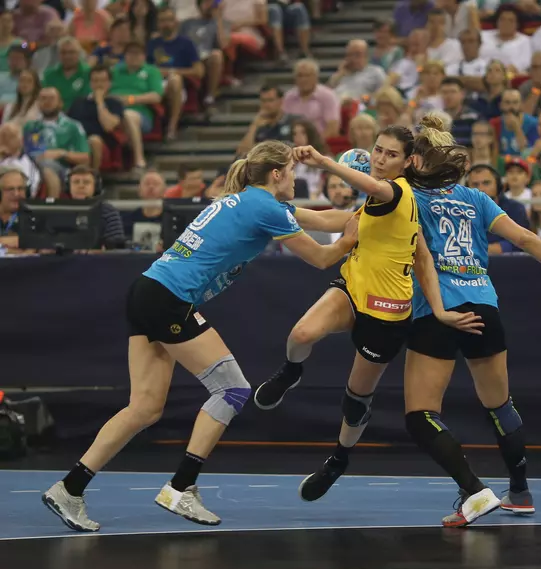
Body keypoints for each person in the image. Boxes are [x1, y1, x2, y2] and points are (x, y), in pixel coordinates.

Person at [41, 140, 359, 533]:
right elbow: (323, 257)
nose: (297, 180)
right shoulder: (267, 208)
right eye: (293, 174)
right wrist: (351, 241)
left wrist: (371, 211)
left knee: (142, 408)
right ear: (277, 175)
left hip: (147, 290)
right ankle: (181, 486)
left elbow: (325, 219)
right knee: (233, 389)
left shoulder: (249, 201)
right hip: (170, 300)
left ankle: (69, 489)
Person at [253, 126, 482, 502]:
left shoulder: (396, 191)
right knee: (302, 334)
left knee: (356, 401)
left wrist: (325, 162)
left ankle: (338, 459)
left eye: (391, 155)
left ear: (408, 162)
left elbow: (382, 197)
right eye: (377, 150)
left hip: (387, 314)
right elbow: (337, 221)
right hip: (352, 290)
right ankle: (290, 372)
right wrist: (272, 208)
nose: (379, 159)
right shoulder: (378, 202)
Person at [404, 116, 541, 527]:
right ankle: (520, 490)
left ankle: (474, 491)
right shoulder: (475, 198)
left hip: (438, 309)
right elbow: (523, 237)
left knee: (421, 413)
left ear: (417, 160)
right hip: (483, 303)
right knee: (500, 406)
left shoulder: (408, 195)